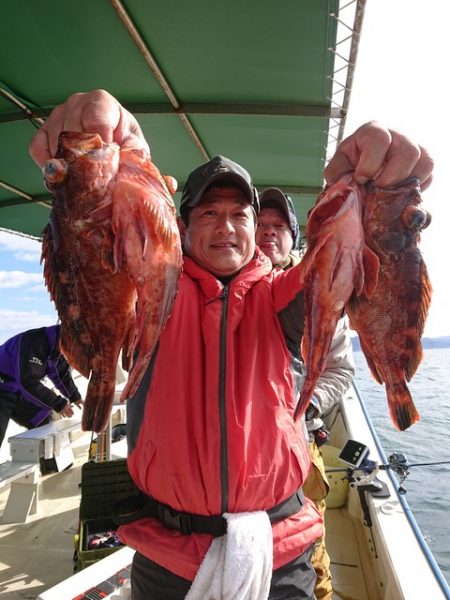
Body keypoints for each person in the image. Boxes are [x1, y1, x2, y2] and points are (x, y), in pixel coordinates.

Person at [28, 90, 434, 600]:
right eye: (208, 214)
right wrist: (97, 153)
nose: (226, 226)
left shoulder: (283, 296)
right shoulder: (153, 295)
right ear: (181, 225)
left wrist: (383, 192)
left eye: (240, 214)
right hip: (166, 555)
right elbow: (92, 256)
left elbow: (353, 267)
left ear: (255, 229)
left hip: (281, 551)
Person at [256, 187, 355, 599]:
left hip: (298, 442)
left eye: (279, 226)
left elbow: (340, 369)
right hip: (242, 452)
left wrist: (306, 404)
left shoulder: (323, 288)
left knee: (309, 543)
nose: (268, 233)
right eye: (260, 225)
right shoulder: (231, 287)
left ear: (293, 237)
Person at [0, 325, 83, 446]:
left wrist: (75, 396)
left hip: (18, 391)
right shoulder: (33, 343)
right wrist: (58, 404)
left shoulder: (57, 348)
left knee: (44, 419)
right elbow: (27, 381)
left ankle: (46, 462)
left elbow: (61, 374)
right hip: (3, 388)